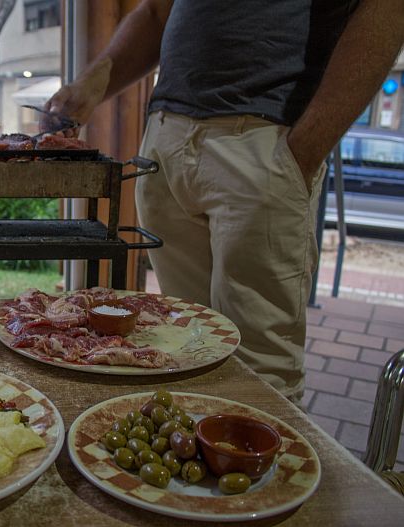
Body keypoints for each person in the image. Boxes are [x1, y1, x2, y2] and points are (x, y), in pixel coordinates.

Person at [42, 0, 404, 403]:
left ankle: (256, 465)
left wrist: (304, 149)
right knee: (186, 343)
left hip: (263, 138)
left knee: (260, 370)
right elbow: (158, 12)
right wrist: (95, 80)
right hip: (166, 141)